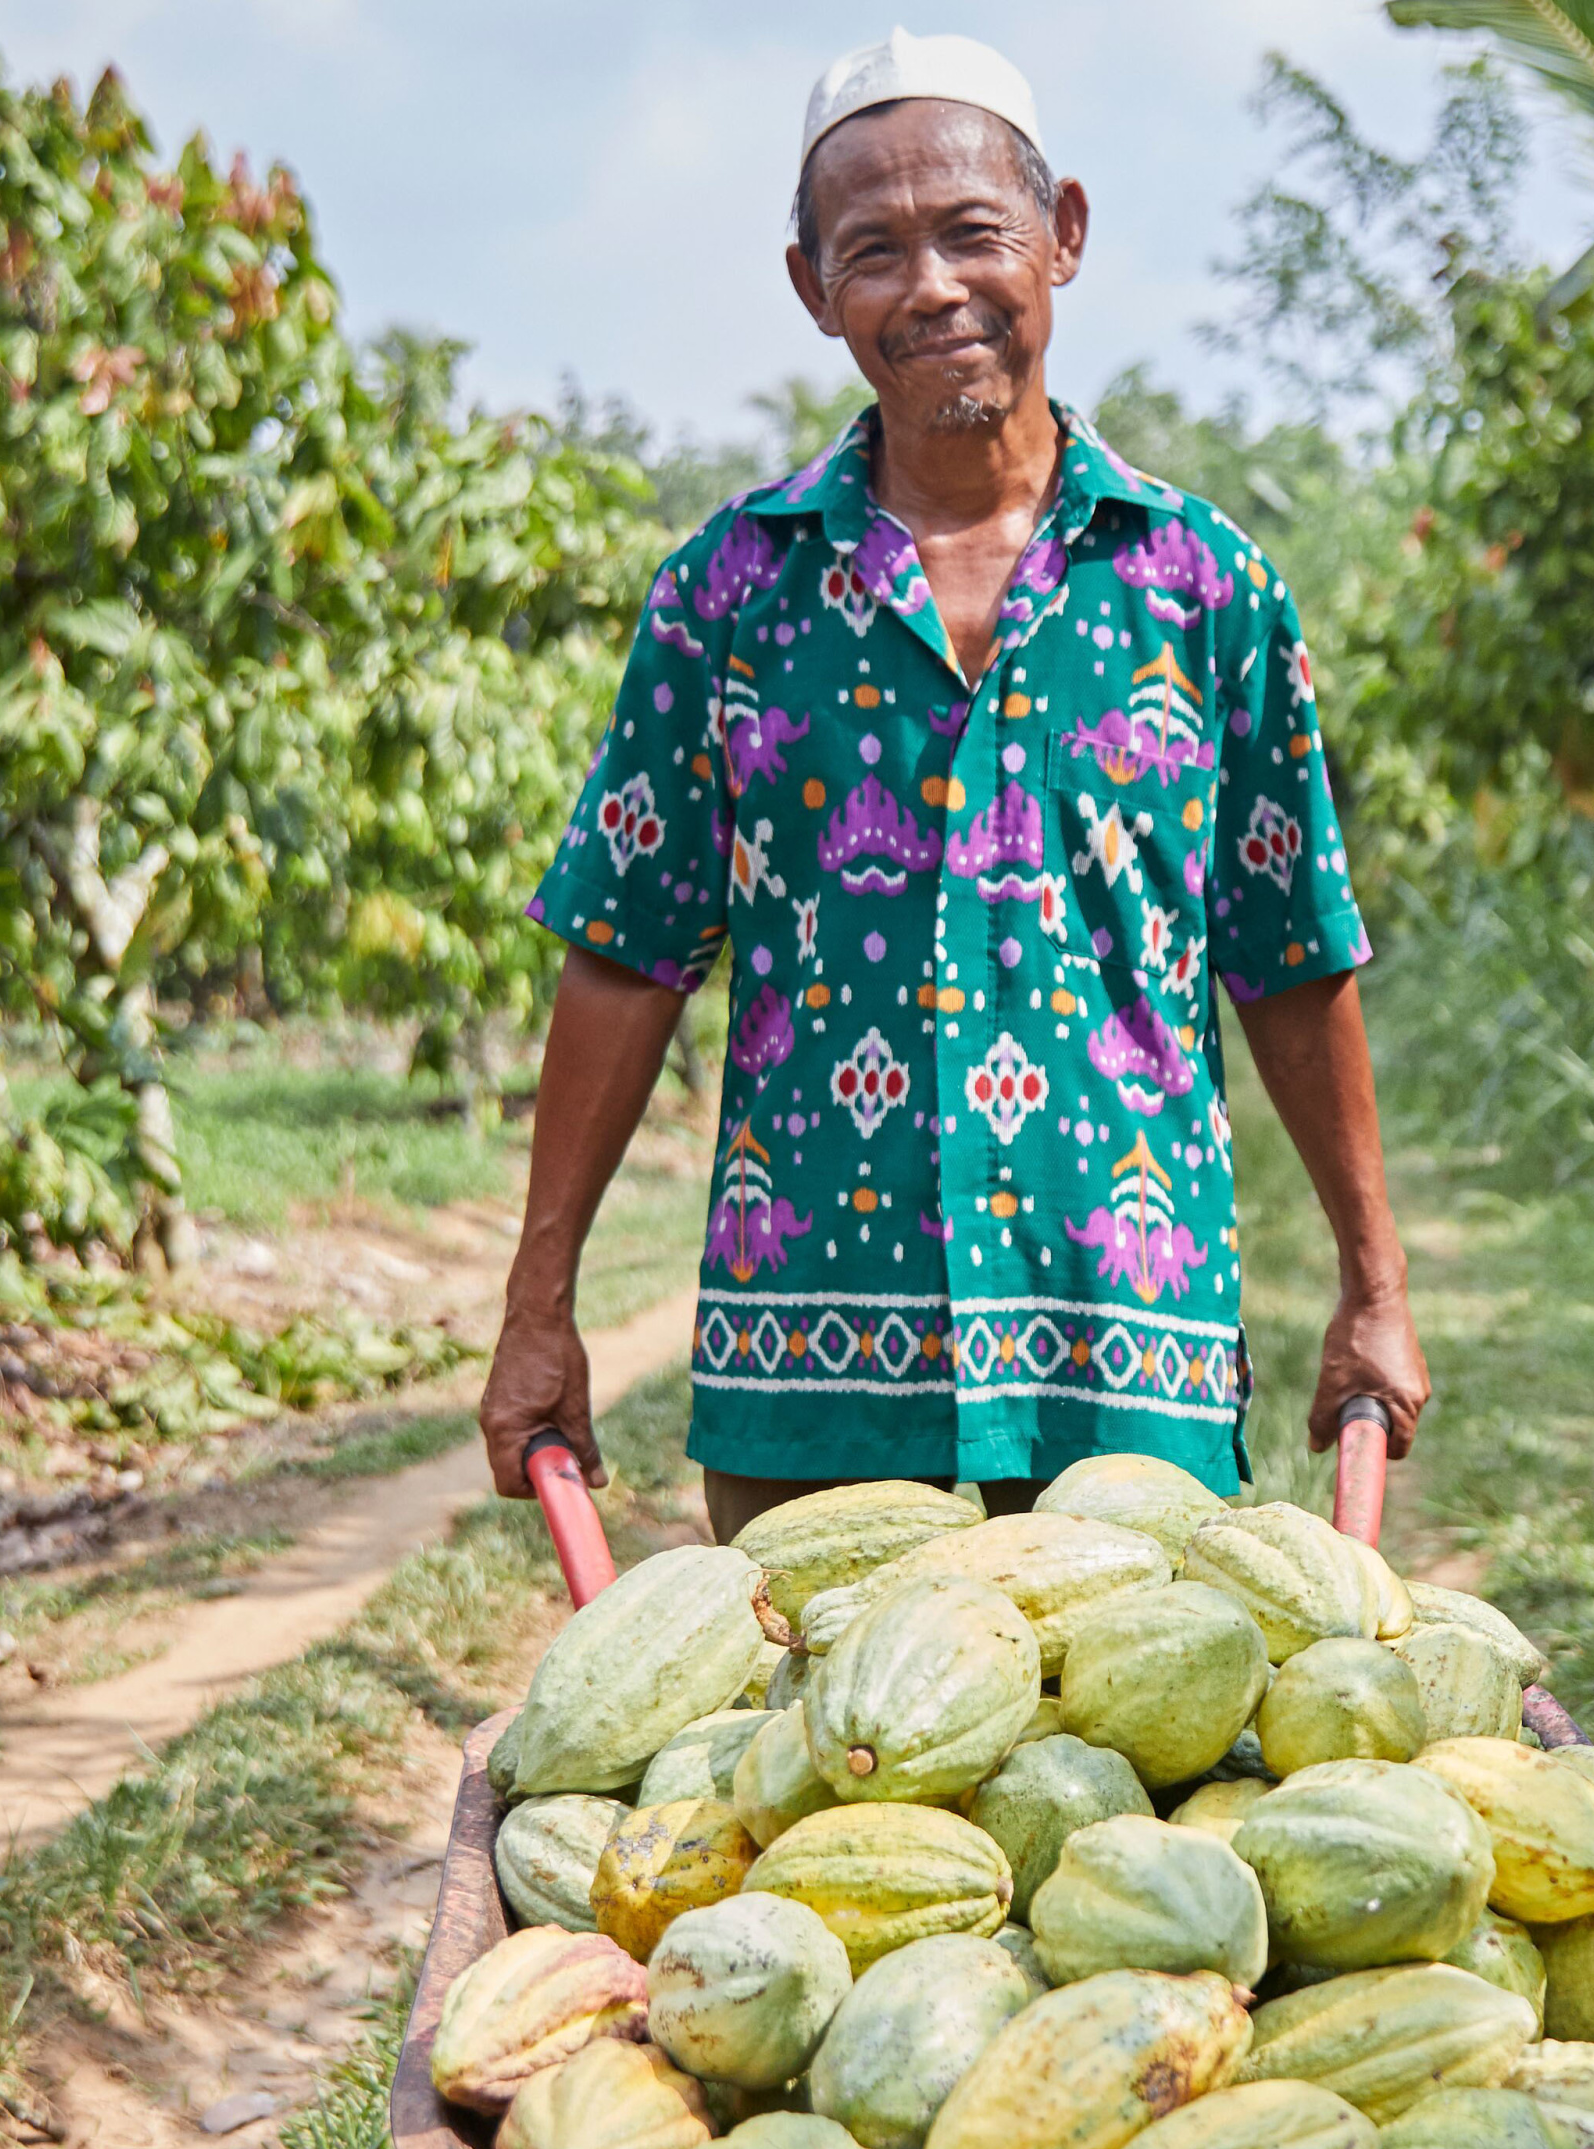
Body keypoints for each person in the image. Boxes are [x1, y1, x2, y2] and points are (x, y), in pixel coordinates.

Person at [479, 28, 1427, 1541]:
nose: (930, 289)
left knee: (1140, 1762)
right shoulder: (729, 595)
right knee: (820, 1758)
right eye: (874, 252)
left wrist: (1376, 1291)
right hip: (813, 1367)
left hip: (1130, 1346)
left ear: (1062, 237)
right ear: (812, 289)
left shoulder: (1202, 586)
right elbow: (623, 956)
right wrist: (540, 1307)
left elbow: (1290, 952)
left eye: (973, 233)